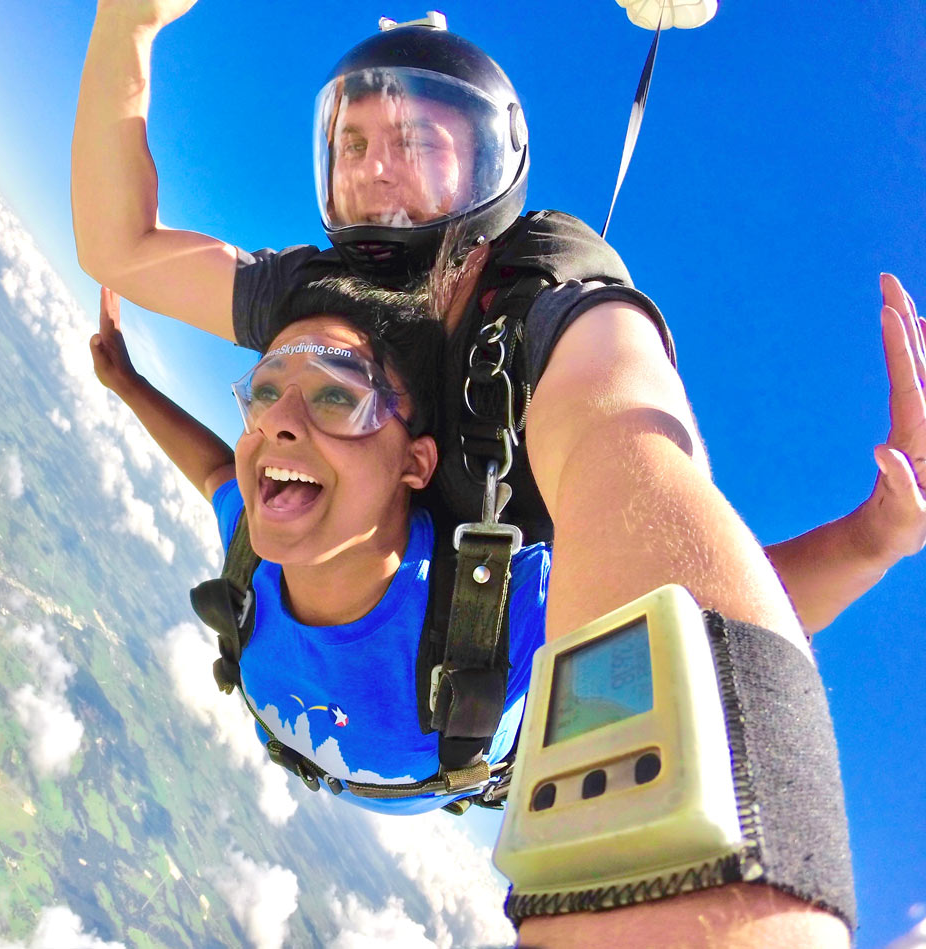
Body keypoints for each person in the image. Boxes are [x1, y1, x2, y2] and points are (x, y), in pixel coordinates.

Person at [72, 3, 923, 943]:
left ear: (489, 166)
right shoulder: (303, 334)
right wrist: (128, 25)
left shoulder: (532, 318)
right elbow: (133, 285)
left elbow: (639, 507)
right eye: (351, 141)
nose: (375, 166)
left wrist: (717, 879)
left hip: (428, 732)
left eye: (414, 139)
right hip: (417, 749)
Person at [92, 277, 545, 815]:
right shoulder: (253, 548)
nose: (276, 422)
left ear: (415, 462)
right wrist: (126, 382)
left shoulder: (507, 612)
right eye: (264, 392)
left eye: (337, 396)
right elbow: (216, 470)